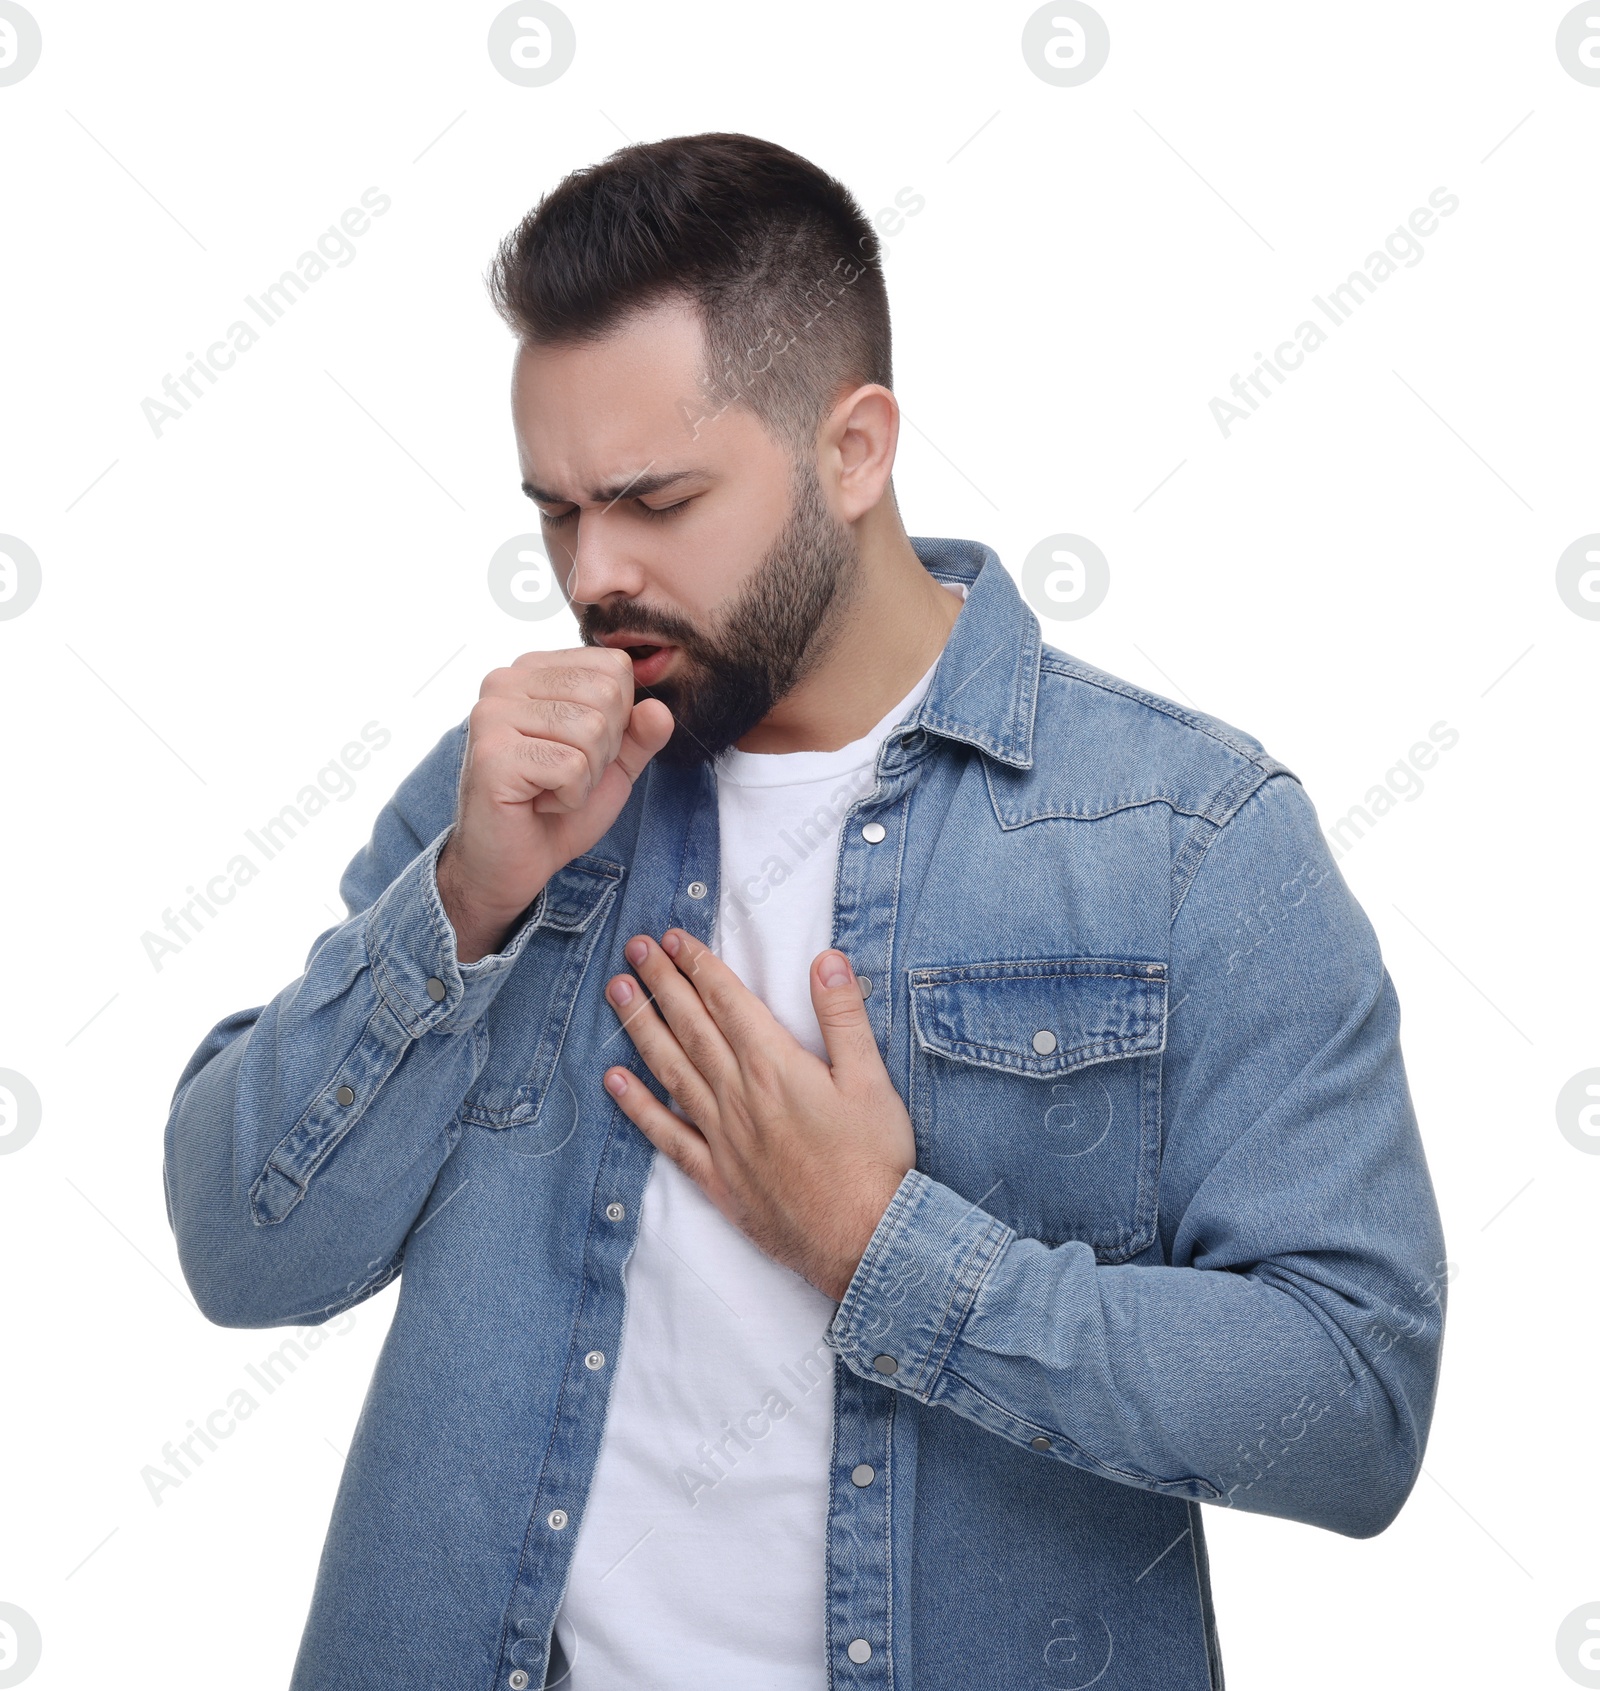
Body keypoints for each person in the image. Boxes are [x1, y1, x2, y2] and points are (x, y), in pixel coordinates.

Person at [162, 131, 1448, 1691]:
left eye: (656, 499)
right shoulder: (504, 795)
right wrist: (468, 897)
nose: (595, 572)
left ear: (854, 450)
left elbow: (1357, 1400)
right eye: (558, 512)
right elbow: (245, 1254)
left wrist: (880, 1248)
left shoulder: (1187, 840)